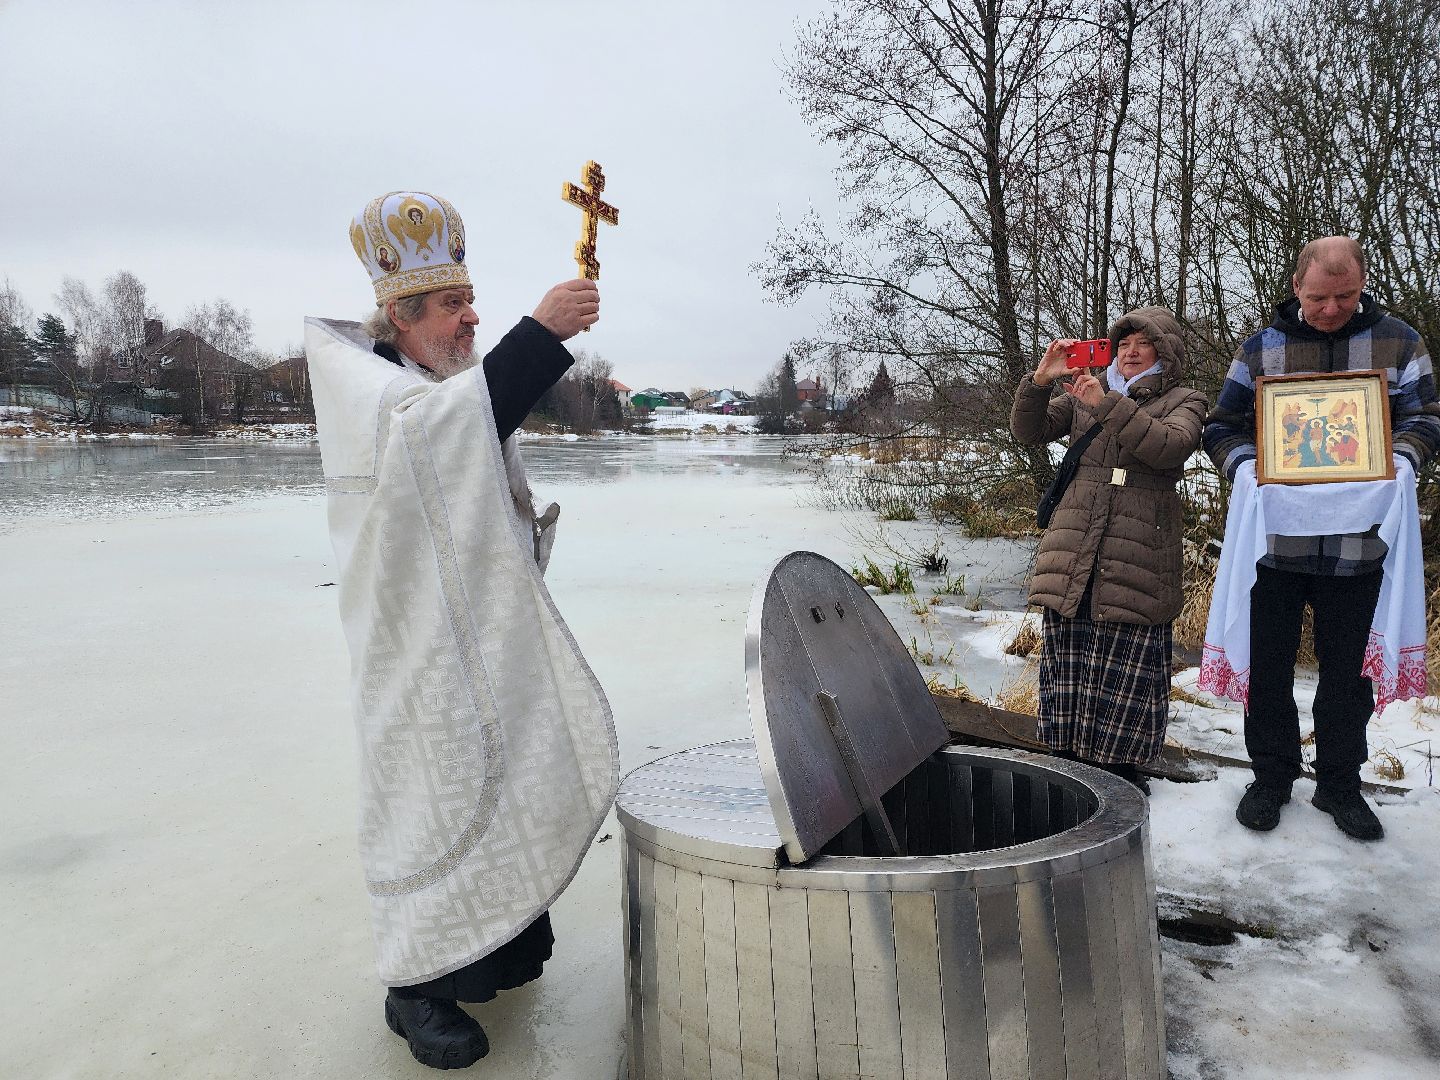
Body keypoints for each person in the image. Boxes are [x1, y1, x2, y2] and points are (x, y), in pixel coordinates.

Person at [305, 191, 619, 1069]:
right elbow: (440, 442)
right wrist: (540, 334)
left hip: (474, 634)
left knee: (499, 780)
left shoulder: (432, 384)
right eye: (453, 304)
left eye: (472, 300)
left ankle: (497, 949)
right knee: (426, 803)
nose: (471, 317)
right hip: (412, 651)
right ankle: (413, 986)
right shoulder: (374, 391)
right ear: (402, 316)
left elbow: (471, 439)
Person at [1204, 236, 1440, 841]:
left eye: (1345, 296)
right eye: (1318, 298)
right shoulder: (1261, 348)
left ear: (1362, 286)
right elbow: (1223, 424)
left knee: (1347, 676)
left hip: (1359, 548)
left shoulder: (1399, 342)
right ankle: (1271, 775)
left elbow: (1427, 418)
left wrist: (1403, 459)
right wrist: (1246, 469)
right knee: (1267, 669)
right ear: (1296, 288)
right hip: (1274, 549)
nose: (1332, 308)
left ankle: (1340, 783)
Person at [1011, 307, 1207, 791]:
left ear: (1166, 351)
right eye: (1124, 344)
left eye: (1144, 344)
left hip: (1140, 543)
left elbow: (1168, 447)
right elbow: (1028, 432)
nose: (1131, 352)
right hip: (1076, 538)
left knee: (1128, 658)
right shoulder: (1085, 391)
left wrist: (1107, 405)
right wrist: (1039, 381)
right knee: (1069, 650)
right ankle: (1065, 759)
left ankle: (1120, 769)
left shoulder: (1185, 399)